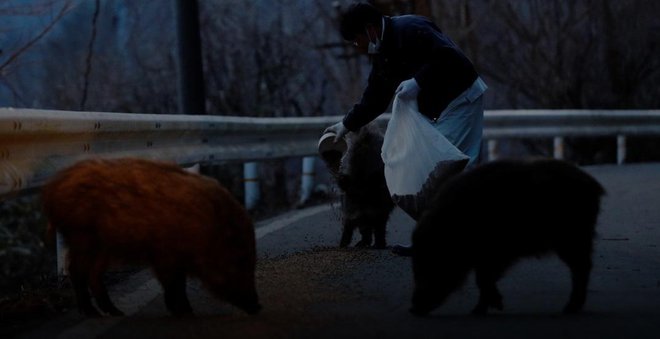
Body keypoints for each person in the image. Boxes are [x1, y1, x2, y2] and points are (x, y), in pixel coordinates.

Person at [324, 2, 488, 256]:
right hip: (441, 108)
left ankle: (448, 239)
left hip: (461, 99)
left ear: (368, 30)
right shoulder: (382, 51)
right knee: (430, 170)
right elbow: (376, 96)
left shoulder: (411, 28)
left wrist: (418, 80)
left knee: (440, 167)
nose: (356, 47)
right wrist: (346, 124)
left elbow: (450, 57)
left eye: (355, 40)